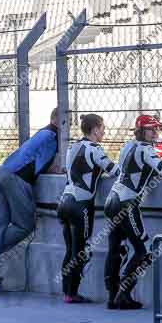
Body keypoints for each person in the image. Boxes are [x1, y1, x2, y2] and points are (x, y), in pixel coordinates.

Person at [0, 108, 59, 284]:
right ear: (56, 120)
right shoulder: (52, 136)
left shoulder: (42, 133)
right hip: (16, 178)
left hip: (2, 172)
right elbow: (43, 165)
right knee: (25, 225)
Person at [104, 114, 162, 310]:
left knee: (114, 248)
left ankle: (112, 296)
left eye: (156, 129)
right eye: (151, 129)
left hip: (112, 199)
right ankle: (123, 294)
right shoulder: (147, 150)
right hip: (126, 203)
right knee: (143, 250)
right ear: (141, 131)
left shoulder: (128, 146)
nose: (155, 133)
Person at [58, 114, 119, 303]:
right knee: (81, 250)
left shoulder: (72, 147)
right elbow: (116, 171)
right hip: (80, 205)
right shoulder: (95, 149)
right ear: (94, 129)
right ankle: (72, 293)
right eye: (102, 128)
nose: (104, 131)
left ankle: (67, 291)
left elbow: (79, 171)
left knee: (70, 249)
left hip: (64, 201)